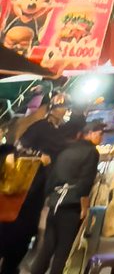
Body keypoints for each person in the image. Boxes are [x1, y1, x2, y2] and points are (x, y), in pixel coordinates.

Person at [0, 95, 74, 273]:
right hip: (22, 190)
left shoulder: (57, 130)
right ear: (51, 109)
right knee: (16, 235)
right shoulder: (39, 128)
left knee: (20, 238)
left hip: (33, 190)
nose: (64, 111)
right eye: (62, 107)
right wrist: (38, 156)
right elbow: (21, 147)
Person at [29, 117, 104, 274]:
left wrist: (49, 197)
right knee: (62, 250)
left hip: (55, 203)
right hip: (71, 205)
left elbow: (52, 177)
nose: (101, 137)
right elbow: (85, 182)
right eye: (99, 134)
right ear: (88, 134)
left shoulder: (65, 150)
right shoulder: (91, 152)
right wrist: (85, 208)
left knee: (46, 249)